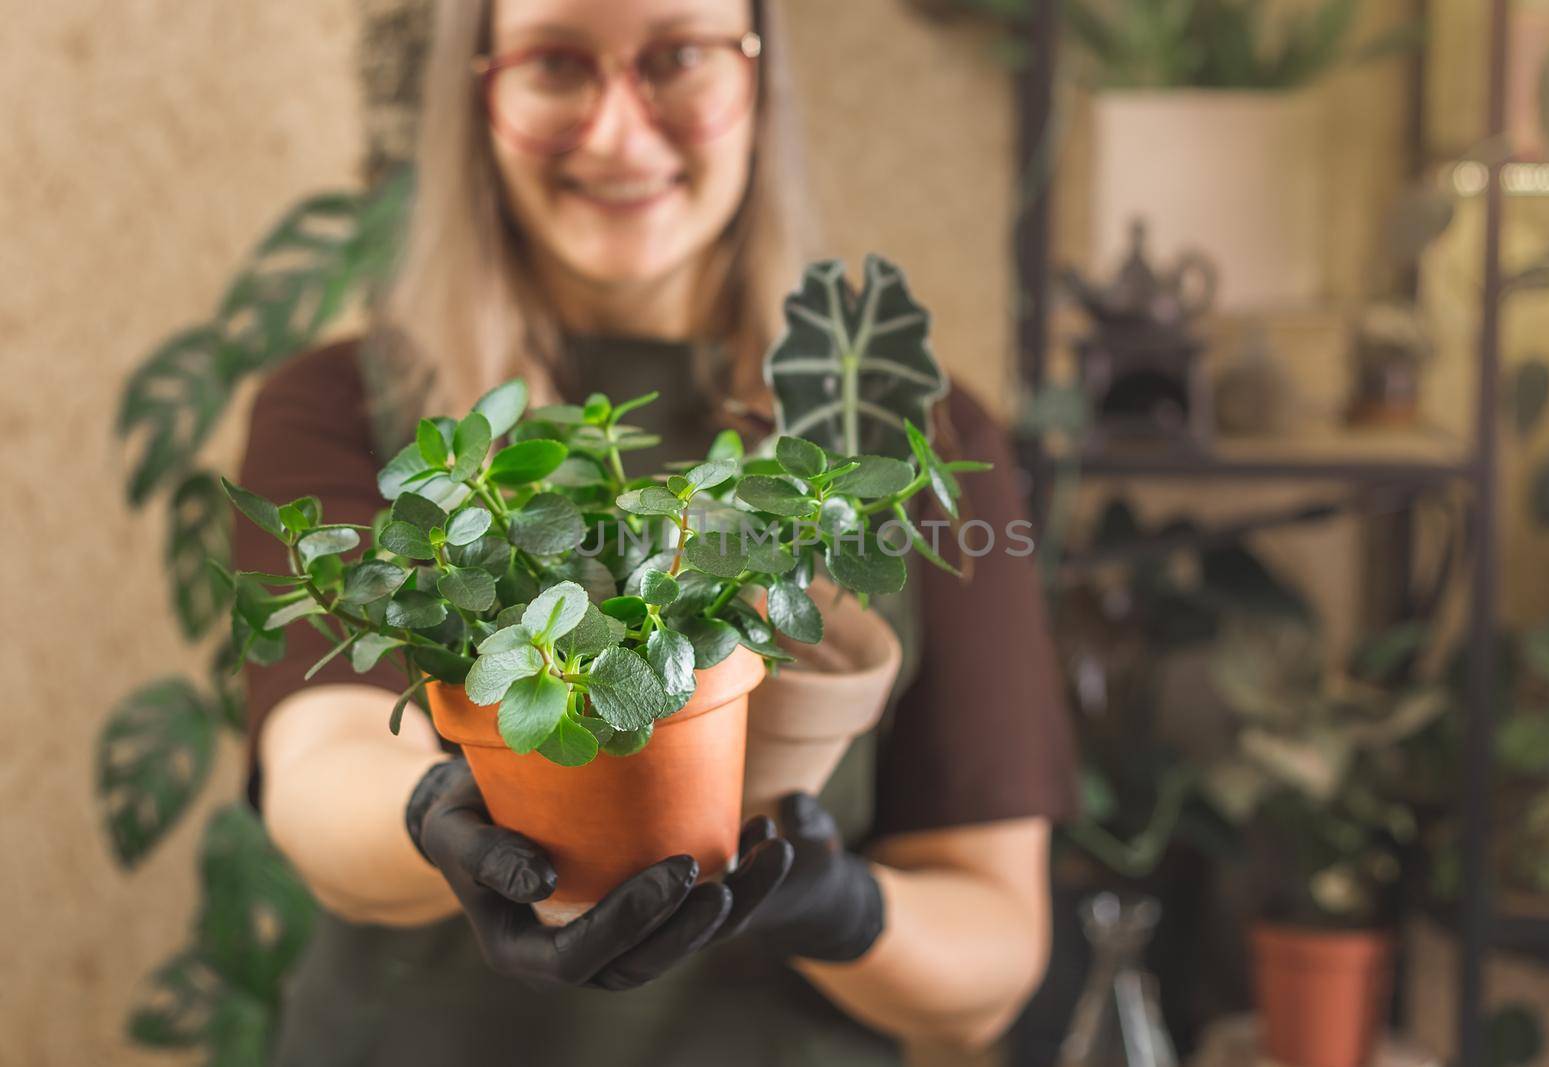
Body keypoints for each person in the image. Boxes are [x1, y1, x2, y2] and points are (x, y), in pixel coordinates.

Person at [234, 0, 1075, 1063]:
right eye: (556, 65)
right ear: (479, 90)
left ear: (755, 78)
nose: (620, 132)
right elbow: (321, 767)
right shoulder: (348, 408)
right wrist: (447, 817)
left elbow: (991, 957)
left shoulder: (906, 440)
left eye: (678, 57)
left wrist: (837, 905)